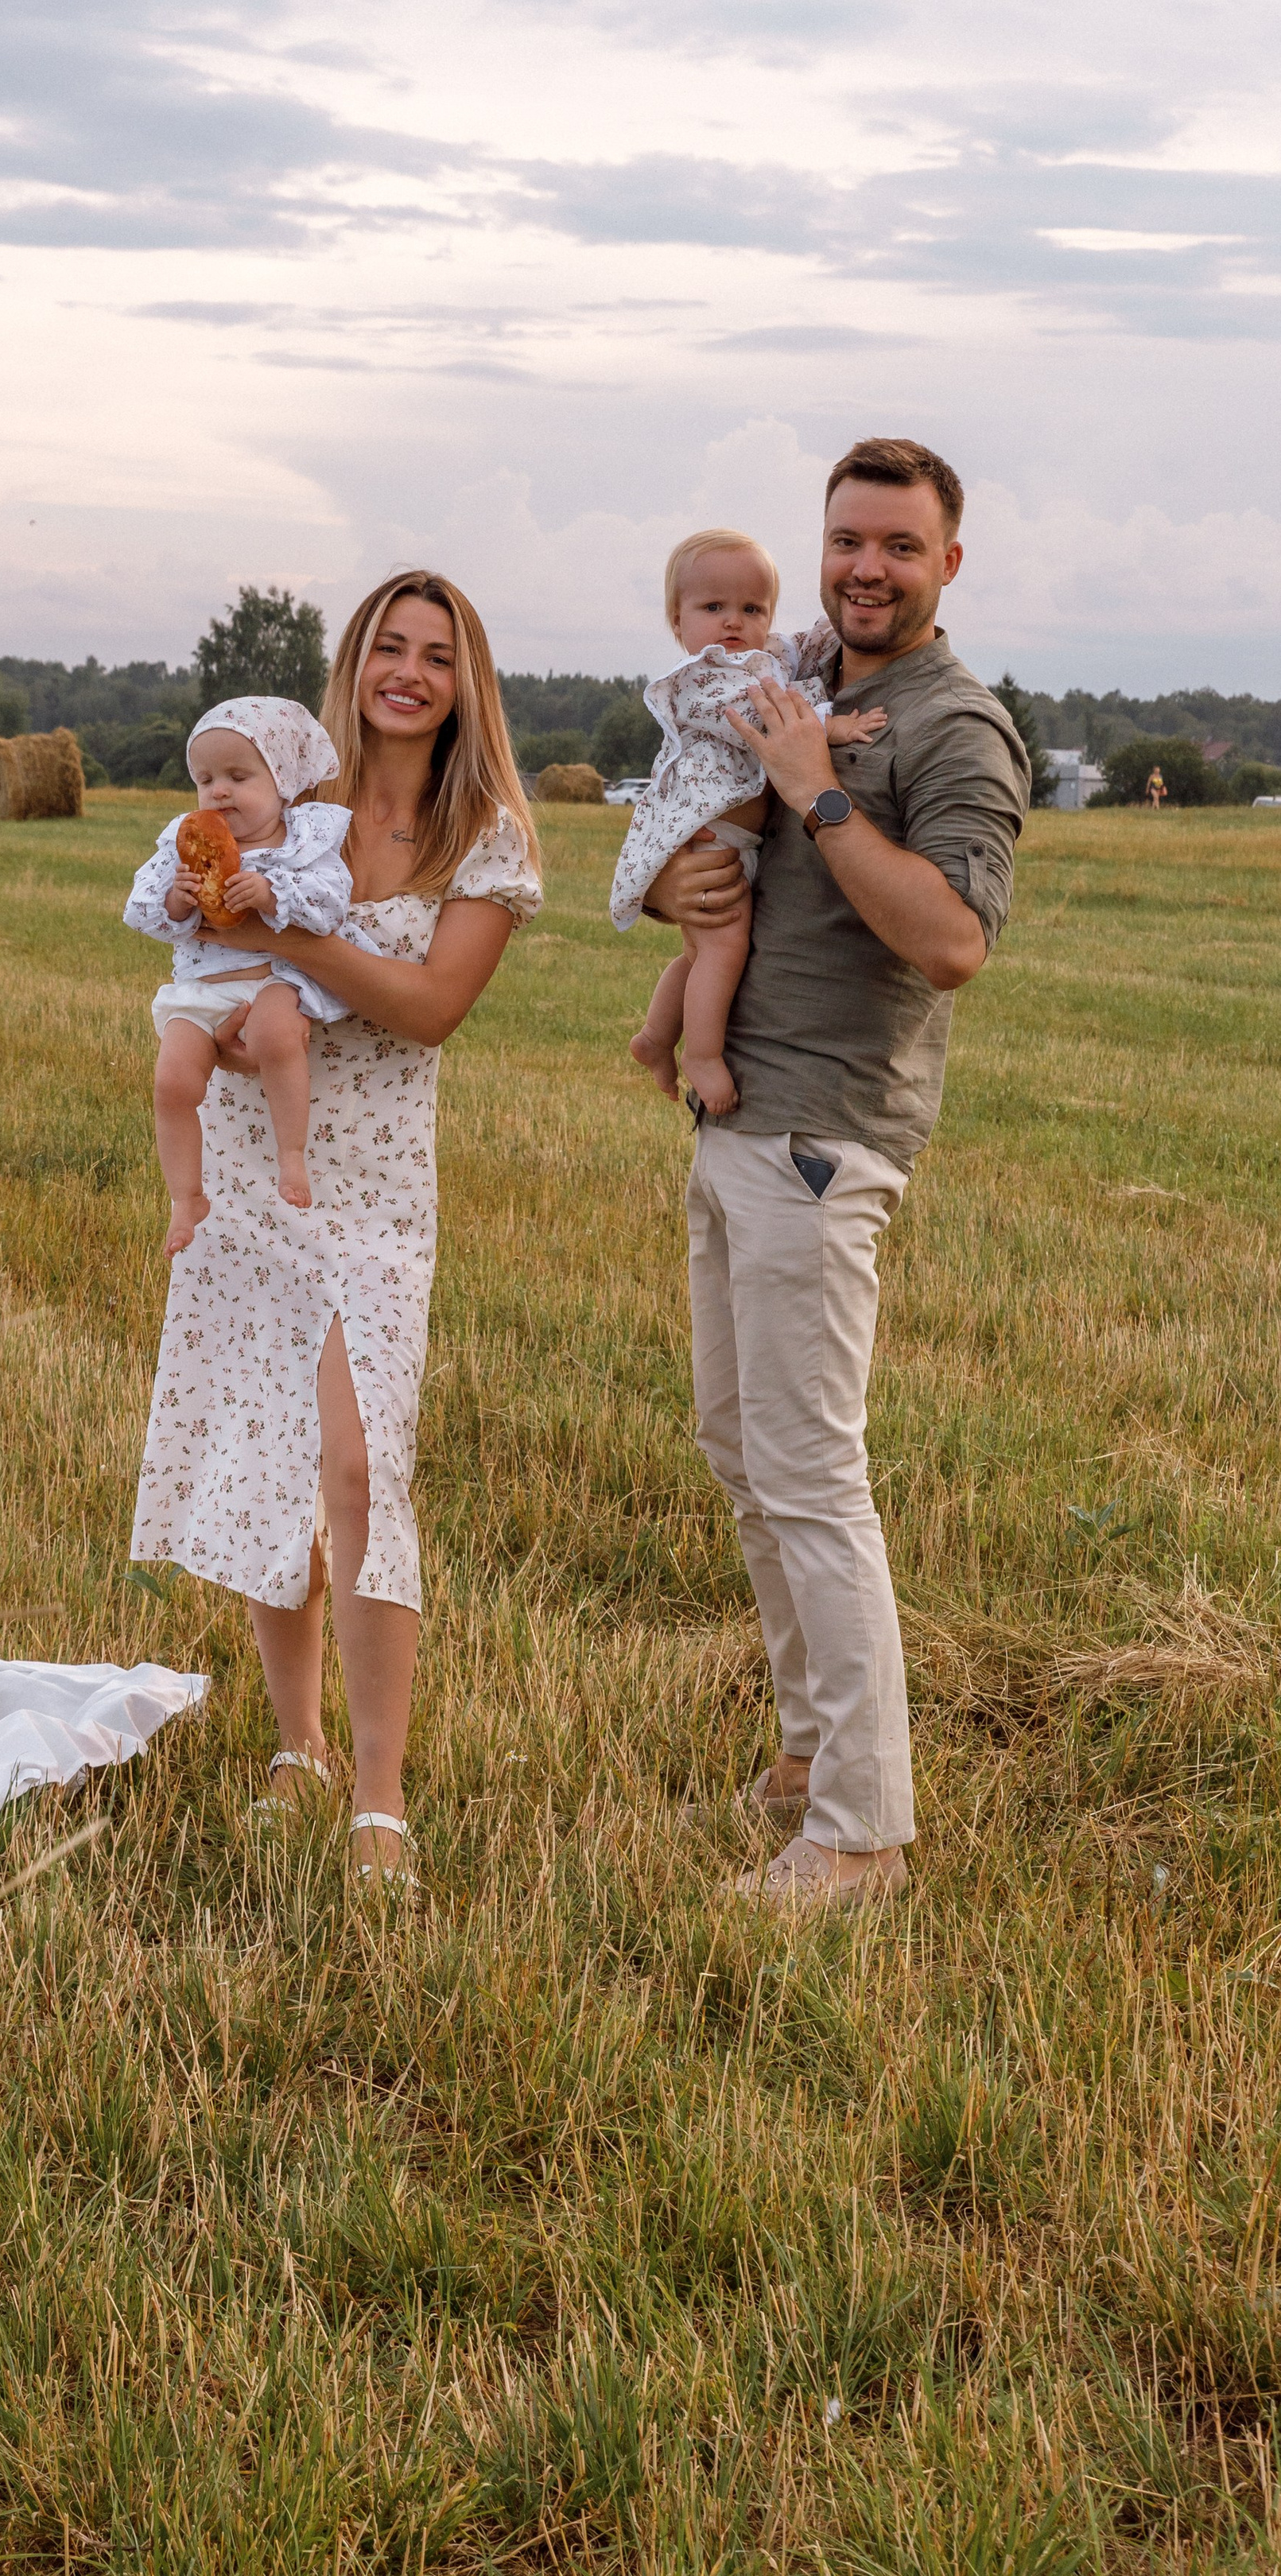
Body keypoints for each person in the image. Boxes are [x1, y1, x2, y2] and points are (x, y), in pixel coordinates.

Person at [639, 438, 1031, 1911]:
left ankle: (862, 1834)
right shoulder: (807, 678)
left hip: (824, 1136)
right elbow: (732, 855)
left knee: (812, 1480)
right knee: (742, 1451)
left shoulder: (958, 729)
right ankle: (811, 1757)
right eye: (847, 539)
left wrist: (818, 791)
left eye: (899, 545)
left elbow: (951, 942)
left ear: (947, 562)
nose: (867, 566)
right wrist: (689, 882)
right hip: (740, 1125)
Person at [128, 574, 542, 1890]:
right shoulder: (291, 809)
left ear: (465, 680)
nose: (405, 672)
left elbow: (428, 1009)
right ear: (353, 666)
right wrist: (231, 955)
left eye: (434, 654)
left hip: (375, 1190)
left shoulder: (491, 836)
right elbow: (207, 951)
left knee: (362, 1470)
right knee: (275, 1454)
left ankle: (380, 1799)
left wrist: (281, 927)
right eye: (385, 649)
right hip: (260, 1170)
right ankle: (295, 1746)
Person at [615, 527, 887, 1111]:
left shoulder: (760, 662)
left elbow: (802, 650)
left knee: (697, 953)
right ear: (678, 621)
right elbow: (761, 718)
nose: (733, 622)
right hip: (713, 840)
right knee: (724, 948)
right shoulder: (702, 682)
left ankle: (656, 1037)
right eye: (713, 608)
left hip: (729, 838)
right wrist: (832, 726)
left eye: (751, 608)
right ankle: (703, 1057)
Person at [122, 700, 354, 1253]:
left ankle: (291, 1155)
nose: (218, 792)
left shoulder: (302, 842)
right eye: (205, 779)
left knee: (278, 1035)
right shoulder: (184, 844)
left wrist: (274, 895)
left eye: (237, 776)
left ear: (283, 783)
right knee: (172, 1082)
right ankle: (186, 1197)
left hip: (275, 977)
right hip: (203, 989)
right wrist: (177, 902)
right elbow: (141, 908)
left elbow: (331, 904)